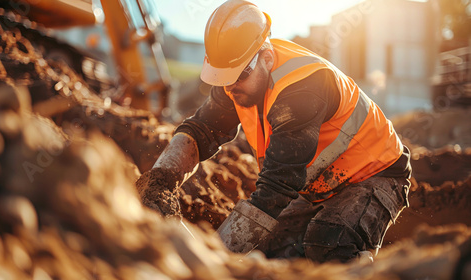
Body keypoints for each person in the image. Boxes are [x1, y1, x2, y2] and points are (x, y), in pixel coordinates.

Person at [136, 0, 411, 263]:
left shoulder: (302, 89)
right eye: (223, 77)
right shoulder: (236, 80)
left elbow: (277, 187)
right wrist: (160, 183)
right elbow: (201, 129)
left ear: (267, 58)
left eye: (239, 75)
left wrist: (215, 262)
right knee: (268, 250)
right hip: (320, 186)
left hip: (376, 175)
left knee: (329, 241)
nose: (230, 87)